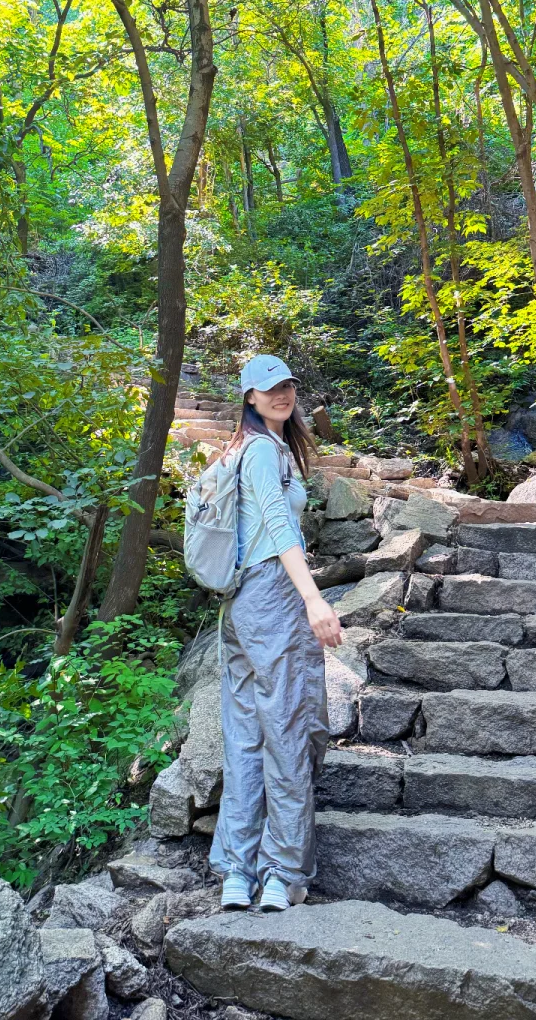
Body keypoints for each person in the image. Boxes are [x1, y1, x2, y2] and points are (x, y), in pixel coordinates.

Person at [208, 353, 344, 914]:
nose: (281, 395)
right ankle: (281, 873)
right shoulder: (263, 451)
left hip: (237, 606)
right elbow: (277, 521)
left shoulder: (238, 449)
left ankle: (236, 871)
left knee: (245, 735)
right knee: (286, 729)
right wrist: (313, 598)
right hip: (273, 597)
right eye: (269, 389)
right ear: (249, 397)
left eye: (286, 385)